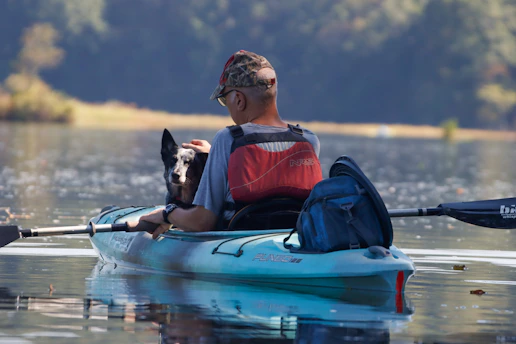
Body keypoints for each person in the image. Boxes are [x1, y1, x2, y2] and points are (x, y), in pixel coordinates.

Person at [139, 50, 322, 237]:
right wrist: (215, 156)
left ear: (239, 100)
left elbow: (202, 222)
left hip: (240, 240)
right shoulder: (308, 139)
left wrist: (166, 214)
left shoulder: (228, 138)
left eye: (225, 100)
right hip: (293, 236)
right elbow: (272, 171)